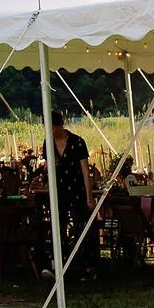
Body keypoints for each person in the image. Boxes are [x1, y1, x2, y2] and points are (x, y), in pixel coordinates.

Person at [45, 110, 95, 277]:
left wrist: (89, 197)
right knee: (57, 226)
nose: (51, 131)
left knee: (80, 225)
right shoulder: (48, 143)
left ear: (60, 125)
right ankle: (57, 264)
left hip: (76, 190)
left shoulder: (77, 142)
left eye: (53, 127)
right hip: (58, 191)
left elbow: (85, 171)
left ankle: (84, 265)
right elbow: (48, 168)